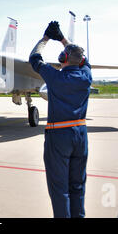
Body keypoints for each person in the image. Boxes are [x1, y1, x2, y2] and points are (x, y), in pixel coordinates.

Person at [29, 21, 92, 218]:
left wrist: (46, 38)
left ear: (63, 58)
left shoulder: (54, 77)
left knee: (59, 188)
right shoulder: (86, 76)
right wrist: (63, 38)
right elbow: (82, 58)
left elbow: (34, 57)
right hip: (80, 134)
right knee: (78, 185)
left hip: (59, 135)